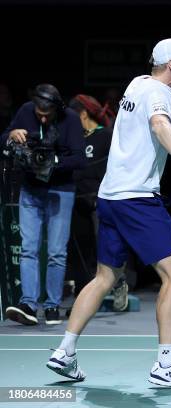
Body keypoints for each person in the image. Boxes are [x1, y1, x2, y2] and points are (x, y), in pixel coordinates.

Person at [46, 38, 171, 389]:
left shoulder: (137, 83)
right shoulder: (161, 93)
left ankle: (65, 351)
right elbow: (158, 125)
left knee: (104, 277)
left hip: (109, 196)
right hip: (137, 198)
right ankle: (167, 364)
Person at [2, 84, 85, 326]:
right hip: (30, 189)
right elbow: (3, 141)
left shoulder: (70, 119)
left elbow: (80, 159)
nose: (43, 117)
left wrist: (53, 162)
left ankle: (51, 306)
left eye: (47, 114)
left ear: (57, 109)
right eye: (39, 114)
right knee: (28, 248)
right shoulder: (26, 111)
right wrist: (11, 134)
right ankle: (28, 303)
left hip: (61, 191)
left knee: (56, 253)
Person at [67, 94, 128, 312]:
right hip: (76, 200)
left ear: (83, 114)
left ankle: (119, 283)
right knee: (81, 250)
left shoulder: (107, 136)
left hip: (100, 200)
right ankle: (81, 296)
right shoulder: (74, 139)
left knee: (104, 249)